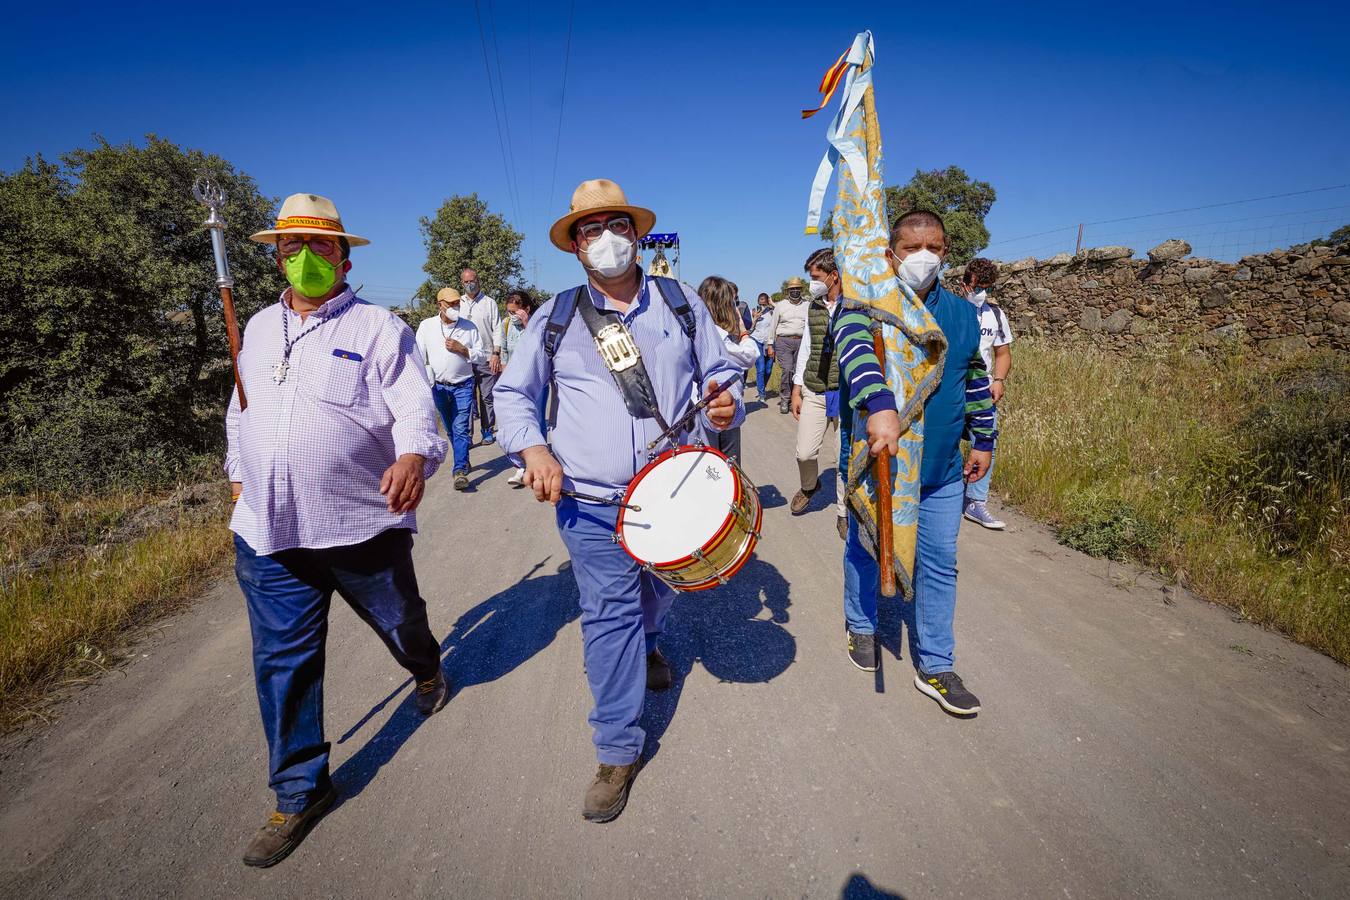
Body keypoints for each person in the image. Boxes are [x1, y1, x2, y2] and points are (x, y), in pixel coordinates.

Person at [495, 179, 743, 823]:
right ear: (574, 246)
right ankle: (617, 749)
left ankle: (652, 638)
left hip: (674, 492)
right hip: (593, 502)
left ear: (636, 234)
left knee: (657, 590)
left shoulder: (679, 301)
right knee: (607, 614)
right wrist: (534, 451)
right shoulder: (554, 317)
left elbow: (722, 373)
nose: (605, 239)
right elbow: (514, 396)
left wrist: (724, 401)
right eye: (589, 229)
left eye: (616, 225)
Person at [227, 193, 450, 867]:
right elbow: (239, 407)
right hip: (268, 534)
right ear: (275, 258)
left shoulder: (381, 328)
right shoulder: (257, 327)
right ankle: (299, 791)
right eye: (289, 247)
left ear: (344, 257)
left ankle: (427, 667)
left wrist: (413, 454)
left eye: (318, 246)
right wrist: (238, 473)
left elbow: (415, 408)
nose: (303, 258)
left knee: (401, 623)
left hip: (360, 526)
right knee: (282, 664)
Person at [834, 209, 994, 715]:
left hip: (943, 467)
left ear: (946, 252)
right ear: (890, 254)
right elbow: (854, 353)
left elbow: (975, 383)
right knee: (867, 543)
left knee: (940, 562)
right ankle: (861, 623)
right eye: (911, 248)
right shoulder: (866, 305)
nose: (924, 257)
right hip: (883, 460)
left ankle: (936, 664)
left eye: (935, 247)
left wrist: (984, 439)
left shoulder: (964, 316)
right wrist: (880, 402)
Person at [789, 249, 848, 538]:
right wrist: (796, 389)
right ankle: (810, 485)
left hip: (845, 392)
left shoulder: (854, 306)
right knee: (804, 453)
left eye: (816, 277)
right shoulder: (814, 306)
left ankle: (844, 512)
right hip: (814, 388)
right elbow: (806, 348)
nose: (812, 282)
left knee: (844, 458)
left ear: (833, 275)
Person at [958, 258, 1013, 530]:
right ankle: (945, 492)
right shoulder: (949, 309)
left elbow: (1002, 353)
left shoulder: (996, 315)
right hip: (951, 387)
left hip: (983, 390)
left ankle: (975, 503)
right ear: (964, 283)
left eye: (986, 287)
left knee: (987, 439)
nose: (981, 292)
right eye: (976, 286)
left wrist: (999, 380)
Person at [415, 287, 488, 491]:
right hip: (439, 388)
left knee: (461, 428)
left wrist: (463, 350)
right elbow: (418, 355)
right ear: (440, 305)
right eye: (451, 304)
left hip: (464, 385)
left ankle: (460, 470)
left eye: (458, 303)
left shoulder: (469, 327)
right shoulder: (427, 326)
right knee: (450, 429)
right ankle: (462, 456)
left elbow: (482, 355)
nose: (456, 307)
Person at [698, 275, 759, 461]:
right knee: (728, 464)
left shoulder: (696, 331)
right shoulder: (717, 336)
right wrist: (743, 330)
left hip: (703, 413)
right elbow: (749, 356)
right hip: (717, 412)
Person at [500, 289, 546, 488]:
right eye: (509, 312)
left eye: (516, 312)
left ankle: (538, 460)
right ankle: (522, 464)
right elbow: (503, 349)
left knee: (535, 417)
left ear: (526, 309)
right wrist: (503, 373)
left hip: (536, 380)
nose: (513, 316)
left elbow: (540, 346)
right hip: (514, 380)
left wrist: (528, 322)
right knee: (515, 418)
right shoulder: (506, 324)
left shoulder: (537, 323)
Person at [459, 268, 502, 446]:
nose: (470, 284)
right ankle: (467, 435)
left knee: (486, 397)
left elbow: (498, 328)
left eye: (473, 280)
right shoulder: (457, 303)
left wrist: (496, 353)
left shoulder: (489, 302)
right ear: (462, 283)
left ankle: (487, 430)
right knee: (467, 399)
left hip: (485, 357)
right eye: (466, 282)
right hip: (464, 358)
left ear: (478, 280)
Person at [767, 277, 809, 414]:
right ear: (788, 291)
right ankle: (785, 398)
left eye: (797, 289)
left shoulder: (807, 305)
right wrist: (770, 345)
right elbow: (773, 326)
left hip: (802, 342)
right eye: (792, 289)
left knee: (799, 371)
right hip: (783, 341)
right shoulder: (780, 305)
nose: (795, 291)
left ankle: (795, 398)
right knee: (787, 369)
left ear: (801, 290)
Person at [749, 292, 776, 399]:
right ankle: (761, 394)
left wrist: (772, 303)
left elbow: (781, 313)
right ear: (758, 300)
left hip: (769, 342)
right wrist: (755, 318)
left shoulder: (772, 311)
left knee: (768, 369)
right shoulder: (754, 311)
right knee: (761, 368)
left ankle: (762, 387)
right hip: (757, 341)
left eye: (765, 298)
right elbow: (749, 328)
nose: (762, 300)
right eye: (760, 298)